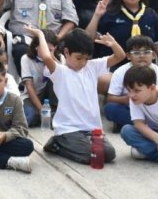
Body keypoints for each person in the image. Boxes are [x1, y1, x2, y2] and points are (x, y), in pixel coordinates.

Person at [30, 26, 124, 165]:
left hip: (92, 129)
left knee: (109, 153)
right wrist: (39, 34)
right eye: (79, 58)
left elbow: (120, 56)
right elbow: (46, 56)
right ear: (67, 52)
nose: (83, 62)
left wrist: (113, 44)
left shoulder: (92, 67)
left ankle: (73, 144)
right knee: (90, 156)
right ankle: (57, 143)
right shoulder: (60, 72)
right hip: (69, 130)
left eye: (86, 58)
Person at [87, 0, 158, 78]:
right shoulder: (110, 14)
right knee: (105, 81)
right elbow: (88, 38)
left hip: (144, 67)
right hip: (114, 66)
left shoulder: (152, 15)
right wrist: (97, 15)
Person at [104, 36, 158, 130]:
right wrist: (128, 99)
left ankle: (142, 126)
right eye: (136, 53)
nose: (142, 56)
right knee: (110, 108)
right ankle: (144, 126)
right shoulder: (120, 72)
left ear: (153, 55)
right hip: (131, 108)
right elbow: (111, 98)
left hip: (154, 111)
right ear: (128, 56)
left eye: (146, 52)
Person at [20, 29, 58, 127]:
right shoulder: (26, 59)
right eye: (43, 48)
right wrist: (42, 110)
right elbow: (29, 87)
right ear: (36, 47)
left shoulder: (59, 59)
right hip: (32, 96)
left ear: (55, 48)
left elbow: (65, 80)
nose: (46, 53)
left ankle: (53, 113)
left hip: (50, 97)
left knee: (56, 76)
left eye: (50, 50)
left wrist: (52, 60)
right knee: (31, 117)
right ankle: (45, 117)